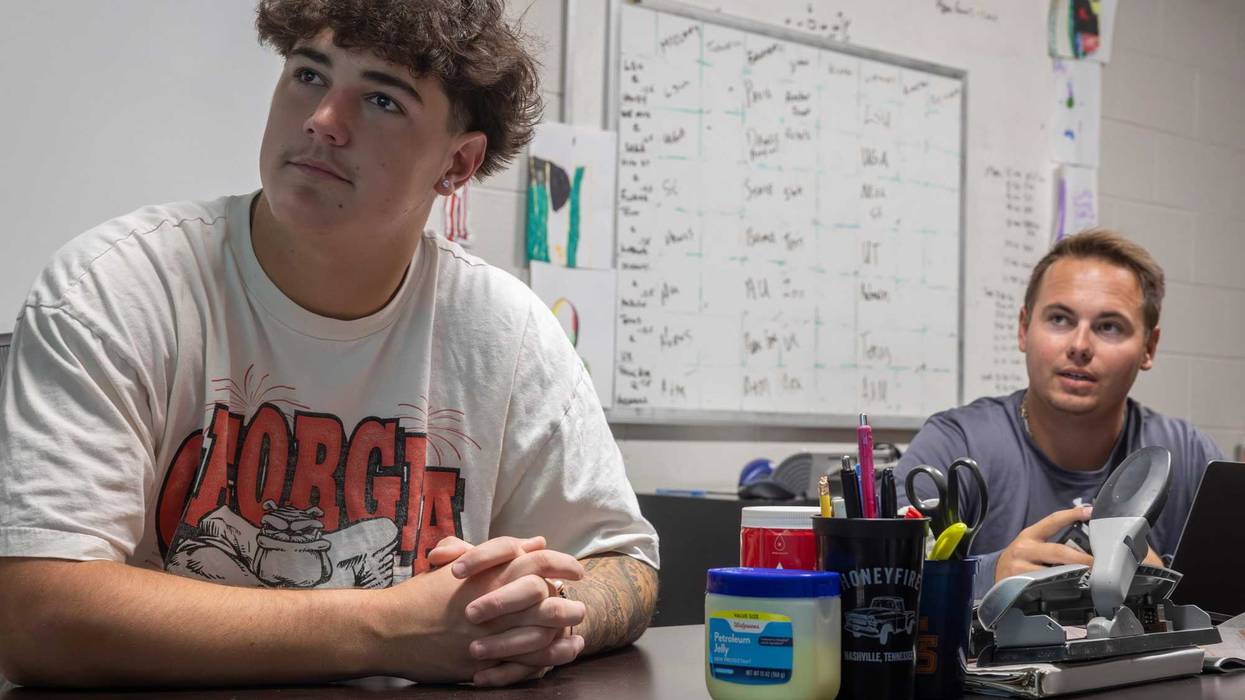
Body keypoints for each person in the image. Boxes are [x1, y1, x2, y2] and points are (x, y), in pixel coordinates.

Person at [0, 0, 658, 688]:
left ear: (457, 165)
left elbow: (625, 565)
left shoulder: (508, 332)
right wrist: (390, 630)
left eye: (380, 99)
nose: (321, 122)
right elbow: (38, 612)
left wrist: (539, 612)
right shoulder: (114, 289)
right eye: (308, 76)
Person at [896, 229, 1221, 599]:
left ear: (1149, 347)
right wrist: (988, 574)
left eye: (1109, 327)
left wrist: (1164, 593)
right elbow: (877, 576)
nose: (1080, 346)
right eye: (1060, 320)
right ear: (1023, 329)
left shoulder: (1189, 455)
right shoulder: (957, 442)